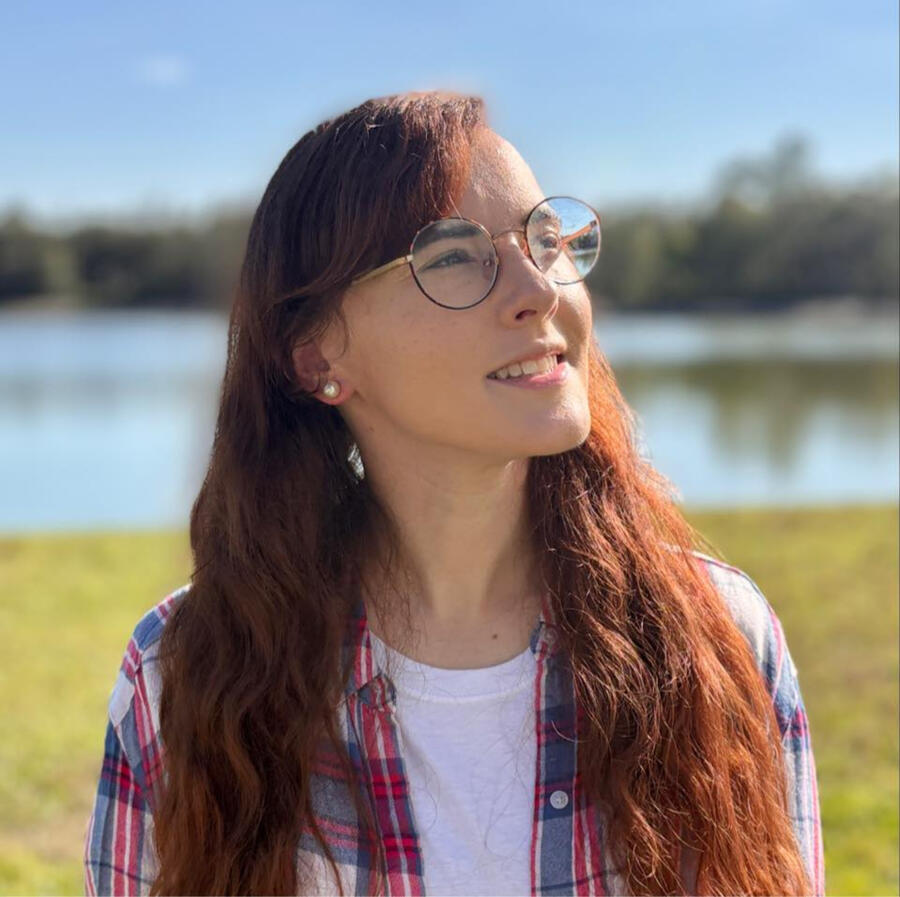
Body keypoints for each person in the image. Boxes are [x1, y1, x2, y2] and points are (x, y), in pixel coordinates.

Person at [83, 90, 824, 896]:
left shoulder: (718, 641)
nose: (538, 289)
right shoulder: (183, 673)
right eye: (453, 256)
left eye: (547, 239)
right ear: (316, 353)